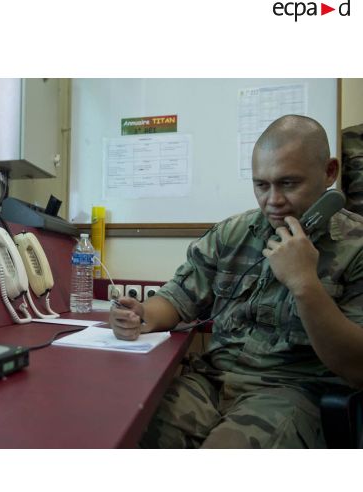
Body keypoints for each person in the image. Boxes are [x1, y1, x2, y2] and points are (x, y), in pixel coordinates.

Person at [110, 114, 363, 449]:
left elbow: (357, 367)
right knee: (131, 433)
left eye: (288, 183)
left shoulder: (356, 247)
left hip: (291, 391)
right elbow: (176, 298)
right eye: (261, 185)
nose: (272, 200)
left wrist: (305, 284)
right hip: (210, 382)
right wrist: (140, 314)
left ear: (329, 172)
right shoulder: (233, 233)